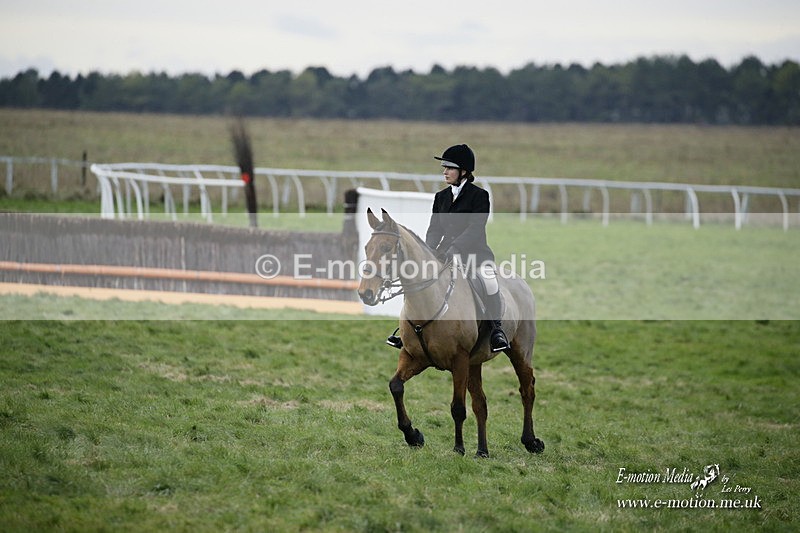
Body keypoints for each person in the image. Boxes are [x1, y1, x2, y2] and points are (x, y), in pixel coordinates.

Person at [386, 144, 510, 353]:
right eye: (444, 167)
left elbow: (475, 228)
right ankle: (408, 330)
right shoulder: (440, 197)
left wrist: (455, 248)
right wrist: (429, 250)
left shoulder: (479, 196)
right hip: (443, 254)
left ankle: (496, 330)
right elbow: (434, 228)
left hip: (475, 254)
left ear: (463, 171)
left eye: (449, 168)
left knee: (489, 282)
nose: (444, 172)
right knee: (420, 281)